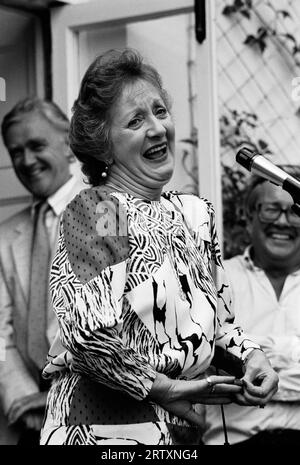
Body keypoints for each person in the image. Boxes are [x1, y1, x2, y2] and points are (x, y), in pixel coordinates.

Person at [40, 49, 278, 446]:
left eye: (159, 111)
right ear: (102, 144)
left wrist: (252, 357)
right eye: (136, 120)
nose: (156, 128)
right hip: (103, 428)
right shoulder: (102, 209)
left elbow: (219, 324)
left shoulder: (195, 213)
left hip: (182, 430)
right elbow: (87, 332)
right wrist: (158, 386)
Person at [0, 97, 84, 444]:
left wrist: (61, 399)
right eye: (16, 151)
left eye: (36, 146)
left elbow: (120, 318)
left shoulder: (107, 209)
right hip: (30, 423)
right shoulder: (5, 236)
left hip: (101, 415)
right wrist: (24, 399)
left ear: (67, 144)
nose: (26, 161)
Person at [203, 166, 300, 446]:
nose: (283, 221)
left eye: (295, 210)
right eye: (271, 209)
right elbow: (205, 360)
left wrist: (250, 357)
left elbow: (228, 366)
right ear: (249, 217)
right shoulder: (216, 281)